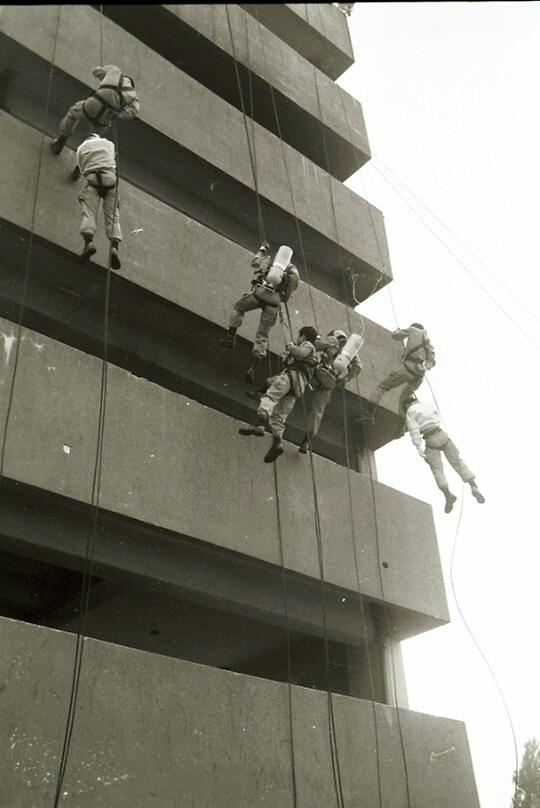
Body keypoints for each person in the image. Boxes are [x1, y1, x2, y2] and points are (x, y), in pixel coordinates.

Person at [220, 242, 299, 383]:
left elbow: (255, 264)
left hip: (258, 294)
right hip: (273, 304)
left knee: (238, 308)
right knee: (262, 335)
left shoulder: (271, 260)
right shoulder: (293, 272)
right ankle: (252, 367)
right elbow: (287, 296)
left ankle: (230, 337)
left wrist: (262, 250)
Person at [238, 326, 319, 463]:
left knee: (270, 397)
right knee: (279, 415)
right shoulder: (314, 357)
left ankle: (259, 424)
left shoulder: (308, 345)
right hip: (298, 387)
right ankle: (277, 443)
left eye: (299, 336)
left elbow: (301, 353)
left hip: (291, 377)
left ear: (303, 336)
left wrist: (291, 347)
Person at [404, 396, 485, 513]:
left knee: (437, 470)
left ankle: (448, 495)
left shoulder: (410, 411)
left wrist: (419, 447)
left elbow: (414, 430)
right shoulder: (428, 405)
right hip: (442, 434)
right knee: (458, 461)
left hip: (430, 438)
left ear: (407, 405)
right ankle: (473, 486)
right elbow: (436, 417)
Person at [50, 65, 140, 156]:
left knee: (73, 113)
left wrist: (105, 80)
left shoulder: (115, 71)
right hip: (106, 116)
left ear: (125, 77)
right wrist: (119, 116)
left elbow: (96, 72)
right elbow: (134, 111)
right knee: (92, 139)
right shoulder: (133, 96)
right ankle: (79, 167)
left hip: (94, 103)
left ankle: (61, 141)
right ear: (132, 86)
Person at [299, 330, 363, 454]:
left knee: (296, 379)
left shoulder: (332, 340)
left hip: (318, 373)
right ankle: (306, 441)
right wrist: (345, 378)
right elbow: (358, 367)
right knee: (318, 410)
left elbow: (315, 346)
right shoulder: (351, 352)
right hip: (331, 381)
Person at [76, 133, 122, 269]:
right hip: (111, 183)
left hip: (93, 182)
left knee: (89, 213)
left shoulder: (81, 148)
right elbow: (114, 160)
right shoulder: (109, 144)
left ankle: (88, 242)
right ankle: (114, 247)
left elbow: (80, 169)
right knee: (113, 218)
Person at [374, 323, 436, 415]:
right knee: (404, 400)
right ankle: (401, 424)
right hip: (419, 377)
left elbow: (395, 336)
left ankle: (368, 414)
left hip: (408, 369)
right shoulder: (427, 342)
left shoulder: (413, 329)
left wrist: (397, 331)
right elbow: (432, 361)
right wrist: (424, 368)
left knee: (381, 388)